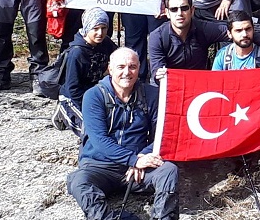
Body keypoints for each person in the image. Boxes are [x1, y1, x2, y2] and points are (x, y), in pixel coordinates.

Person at [66, 47, 178, 220]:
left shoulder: (151, 94)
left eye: (132, 67)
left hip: (139, 169)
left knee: (169, 170)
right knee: (78, 181)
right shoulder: (94, 96)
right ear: (110, 69)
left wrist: (143, 156)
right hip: (99, 166)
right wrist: (133, 159)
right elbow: (99, 141)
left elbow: (162, 135)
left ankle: (164, 217)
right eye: (121, 67)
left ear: (140, 67)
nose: (127, 72)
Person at [148, 0, 260, 82]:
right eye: (174, 9)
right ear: (167, 12)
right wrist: (158, 74)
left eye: (184, 8)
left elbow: (238, 31)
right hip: (168, 86)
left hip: (198, 85)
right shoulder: (157, 37)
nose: (179, 13)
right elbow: (156, 71)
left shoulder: (204, 29)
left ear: (192, 10)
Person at [56, 7, 118, 136]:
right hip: (74, 97)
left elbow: (120, 57)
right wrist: (88, 109)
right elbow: (73, 88)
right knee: (92, 132)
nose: (100, 33)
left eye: (104, 28)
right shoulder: (76, 53)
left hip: (97, 92)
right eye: (95, 29)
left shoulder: (106, 42)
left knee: (114, 125)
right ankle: (63, 110)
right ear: (86, 28)